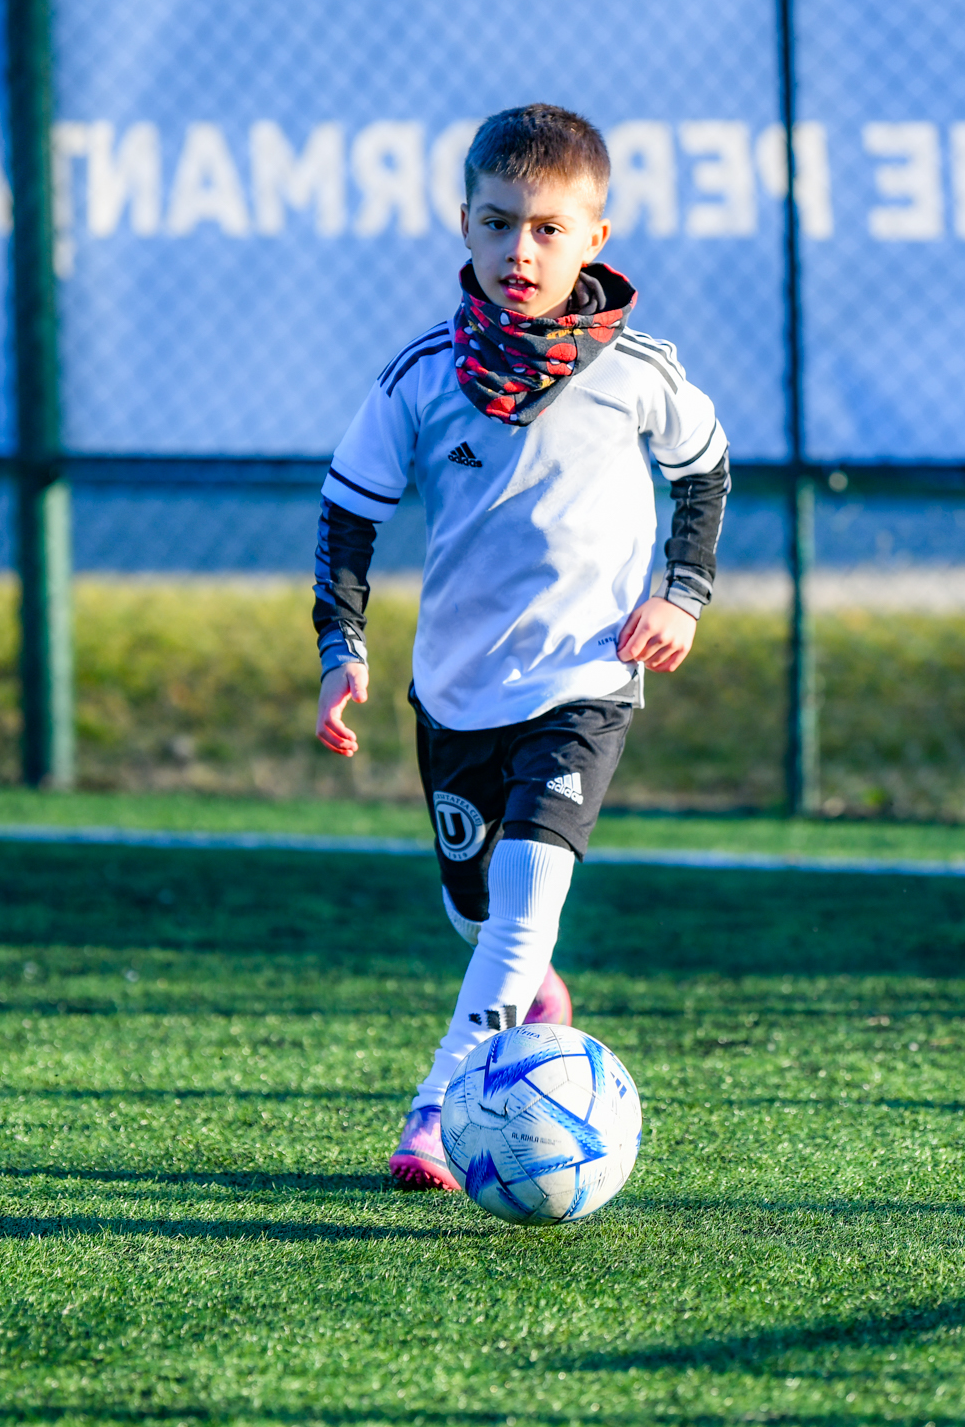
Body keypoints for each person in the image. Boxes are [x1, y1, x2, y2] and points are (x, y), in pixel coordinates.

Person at [309, 103, 732, 1192]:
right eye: (498, 225)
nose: (520, 251)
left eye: (548, 228)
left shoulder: (637, 368)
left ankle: (438, 1112)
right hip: (455, 691)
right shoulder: (419, 375)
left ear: (596, 236)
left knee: (526, 894)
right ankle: (526, 991)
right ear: (463, 225)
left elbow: (704, 467)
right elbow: (348, 509)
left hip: (586, 679)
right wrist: (339, 648)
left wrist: (679, 595)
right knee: (474, 909)